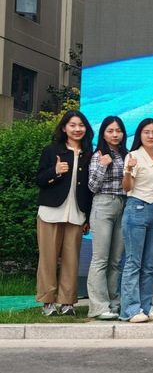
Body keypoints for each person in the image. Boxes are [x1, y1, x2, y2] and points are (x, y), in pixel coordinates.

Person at [35, 111, 94, 317]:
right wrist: (55, 171)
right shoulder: (51, 150)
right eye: (72, 125)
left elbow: (89, 189)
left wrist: (87, 217)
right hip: (50, 212)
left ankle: (67, 302)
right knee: (48, 259)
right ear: (64, 128)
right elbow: (39, 179)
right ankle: (47, 302)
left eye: (81, 125)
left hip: (77, 214)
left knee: (71, 260)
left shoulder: (89, 154)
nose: (77, 129)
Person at [120, 118, 153, 323]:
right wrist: (129, 169)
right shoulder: (133, 156)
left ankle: (146, 307)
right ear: (140, 135)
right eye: (146, 132)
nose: (151, 135)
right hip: (137, 209)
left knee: (149, 265)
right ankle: (130, 310)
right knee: (133, 262)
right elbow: (127, 187)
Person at [86, 116, 127, 320]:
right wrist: (103, 165)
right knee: (100, 258)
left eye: (118, 130)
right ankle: (98, 306)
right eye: (110, 131)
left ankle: (114, 303)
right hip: (103, 204)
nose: (115, 134)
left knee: (116, 260)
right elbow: (92, 186)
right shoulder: (98, 155)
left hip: (124, 205)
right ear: (103, 134)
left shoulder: (126, 154)